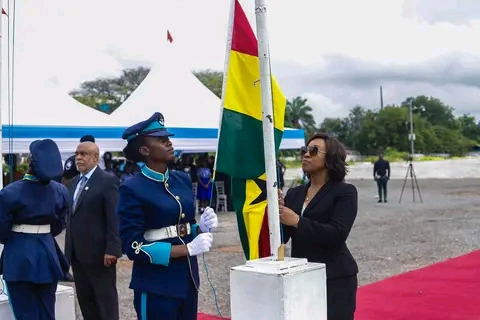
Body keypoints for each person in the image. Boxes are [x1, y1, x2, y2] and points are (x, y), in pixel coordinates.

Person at [117, 112, 218, 320]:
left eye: (168, 139)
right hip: (156, 284)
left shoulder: (180, 179)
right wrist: (188, 248)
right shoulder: (132, 189)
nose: (169, 143)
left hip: (188, 279)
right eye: (161, 140)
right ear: (144, 150)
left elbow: (183, 226)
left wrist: (201, 228)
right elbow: (133, 246)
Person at [279, 132, 358, 320]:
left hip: (335, 277)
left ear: (330, 158)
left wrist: (298, 221)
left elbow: (337, 234)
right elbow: (284, 237)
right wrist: (276, 215)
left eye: (314, 151)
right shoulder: (294, 193)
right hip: (302, 276)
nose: (306, 154)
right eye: (304, 150)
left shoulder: (345, 192)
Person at [0, 139, 70, 319]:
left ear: (30, 162)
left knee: (25, 313)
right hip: (48, 253)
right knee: (47, 313)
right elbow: (58, 225)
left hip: (19, 256)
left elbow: (2, 230)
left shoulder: (10, 192)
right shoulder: (60, 191)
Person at [64, 141, 122, 320]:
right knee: (86, 302)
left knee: (105, 303)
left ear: (95, 158)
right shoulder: (73, 183)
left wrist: (112, 249)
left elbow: (114, 217)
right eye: (77, 154)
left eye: (83, 154)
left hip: (100, 256)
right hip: (77, 255)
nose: (78, 158)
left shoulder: (107, 181)